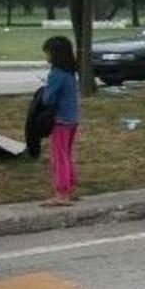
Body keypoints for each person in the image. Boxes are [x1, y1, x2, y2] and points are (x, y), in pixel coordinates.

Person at [39, 36, 80, 207]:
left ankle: (61, 193)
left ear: (55, 54)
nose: (46, 56)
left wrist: (45, 89)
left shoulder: (56, 73)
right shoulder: (70, 72)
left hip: (60, 120)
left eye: (48, 53)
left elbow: (48, 99)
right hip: (72, 119)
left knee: (58, 157)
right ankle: (69, 188)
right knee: (66, 155)